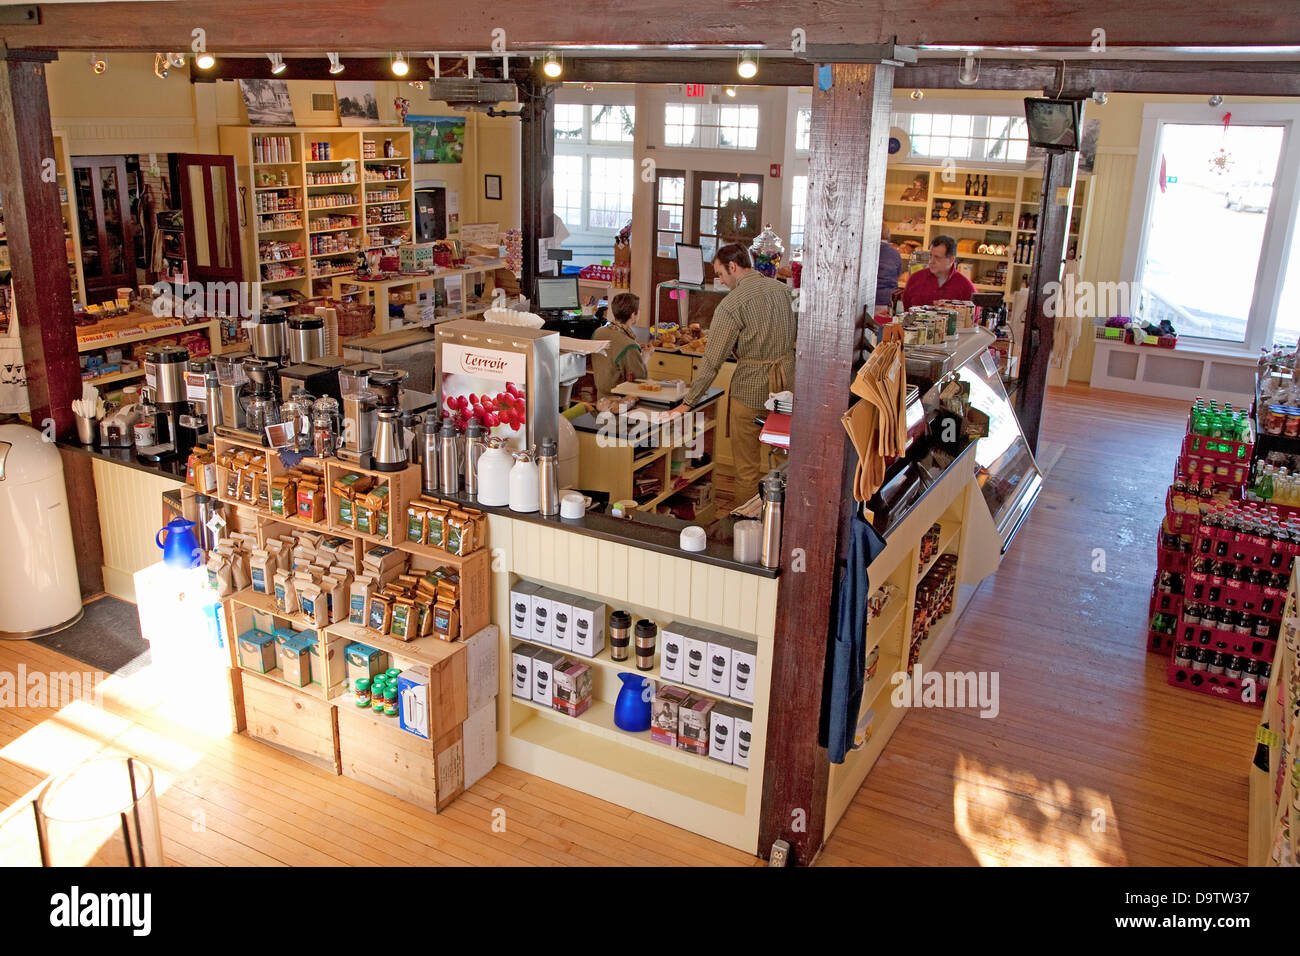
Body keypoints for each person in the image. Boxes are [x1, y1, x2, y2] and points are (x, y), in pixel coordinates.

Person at [671, 243, 797, 504]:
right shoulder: (786, 292)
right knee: (788, 465)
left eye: (720, 274)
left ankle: (747, 529)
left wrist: (688, 402)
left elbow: (712, 360)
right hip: (787, 388)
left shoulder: (731, 304)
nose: (720, 280)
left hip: (750, 390)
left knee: (747, 470)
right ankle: (783, 526)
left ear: (733, 266)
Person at [591, 292, 648, 397]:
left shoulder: (598, 332)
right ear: (633, 315)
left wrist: (635, 351)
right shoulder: (629, 345)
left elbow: (613, 354)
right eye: (638, 310)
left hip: (600, 397)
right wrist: (645, 357)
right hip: (620, 400)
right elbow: (639, 379)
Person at [901, 234, 976, 309]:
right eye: (930, 256)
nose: (931, 261)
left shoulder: (966, 288)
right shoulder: (915, 279)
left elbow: (973, 318)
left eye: (937, 257)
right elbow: (906, 310)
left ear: (951, 259)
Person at [876, 224, 903, 309]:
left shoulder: (869, 249)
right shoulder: (895, 253)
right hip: (889, 300)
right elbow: (898, 274)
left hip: (871, 298)